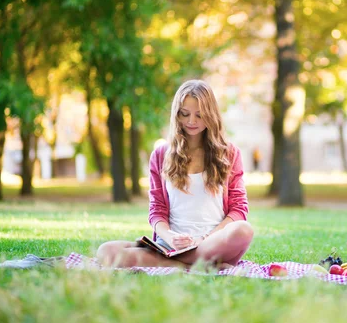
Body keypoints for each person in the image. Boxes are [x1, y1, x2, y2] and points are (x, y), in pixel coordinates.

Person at [96, 80, 253, 269]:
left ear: (211, 114)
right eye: (184, 114)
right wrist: (170, 238)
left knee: (243, 230)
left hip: (212, 243)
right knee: (106, 251)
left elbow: (238, 209)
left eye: (199, 115)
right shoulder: (161, 155)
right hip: (171, 246)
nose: (191, 121)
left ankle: (180, 263)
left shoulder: (229, 153)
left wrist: (204, 239)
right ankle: (196, 266)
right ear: (176, 114)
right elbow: (157, 210)